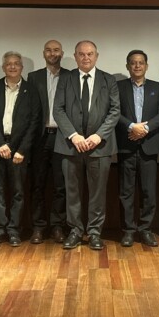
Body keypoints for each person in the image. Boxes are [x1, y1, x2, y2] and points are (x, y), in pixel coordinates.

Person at [53, 40, 120, 250]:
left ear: (96, 56)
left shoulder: (109, 80)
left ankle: (94, 233)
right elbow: (58, 110)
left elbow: (115, 111)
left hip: (99, 147)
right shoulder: (65, 79)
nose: (86, 57)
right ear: (75, 56)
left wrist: (99, 136)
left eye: (90, 54)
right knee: (72, 192)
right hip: (70, 146)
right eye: (81, 54)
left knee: (98, 193)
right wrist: (74, 136)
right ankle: (74, 231)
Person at [0, 51, 41, 246]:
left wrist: (21, 149)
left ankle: (14, 230)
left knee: (18, 192)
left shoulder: (31, 91)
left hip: (19, 150)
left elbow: (34, 122)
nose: (12, 67)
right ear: (4, 67)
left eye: (16, 64)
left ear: (22, 67)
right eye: (9, 64)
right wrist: (0, 144)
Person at [115, 49, 159, 247]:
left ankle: (145, 230)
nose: (137, 66)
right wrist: (131, 126)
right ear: (127, 66)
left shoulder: (157, 87)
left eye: (141, 63)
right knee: (126, 192)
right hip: (126, 145)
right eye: (133, 63)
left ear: (146, 66)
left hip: (149, 146)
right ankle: (128, 231)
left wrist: (144, 128)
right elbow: (114, 112)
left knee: (148, 192)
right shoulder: (119, 87)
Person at [27, 40, 70, 243]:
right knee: (38, 184)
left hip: (63, 137)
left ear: (62, 53)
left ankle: (57, 226)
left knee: (60, 185)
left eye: (56, 50)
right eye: (49, 50)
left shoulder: (70, 76)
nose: (52, 53)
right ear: (43, 53)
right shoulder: (33, 77)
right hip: (40, 137)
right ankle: (38, 226)